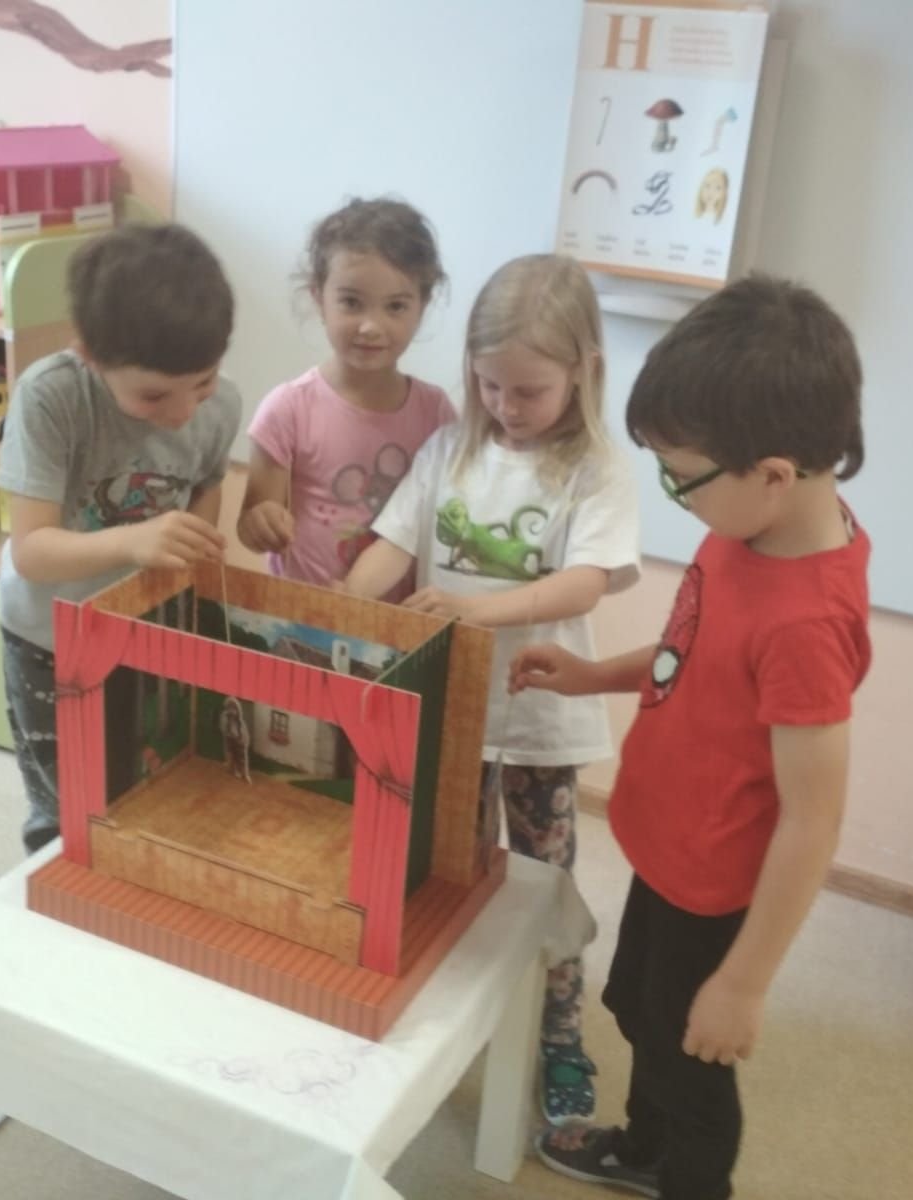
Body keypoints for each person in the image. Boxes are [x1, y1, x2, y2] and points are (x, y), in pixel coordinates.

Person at [519, 274, 871, 1199]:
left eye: (682, 477)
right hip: (673, 844)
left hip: (715, 887)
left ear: (775, 475)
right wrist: (594, 673)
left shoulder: (805, 626)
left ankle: (690, 1179)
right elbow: (694, 653)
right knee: (641, 1011)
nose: (674, 493)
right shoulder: (752, 533)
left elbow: (814, 822)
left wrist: (744, 984)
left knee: (693, 1059)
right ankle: (647, 1150)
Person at [344, 253, 640, 1124]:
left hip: (541, 722)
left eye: (529, 391)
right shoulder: (451, 446)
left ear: (584, 371)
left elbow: (584, 585)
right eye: (490, 386)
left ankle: (560, 1039)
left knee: (544, 888)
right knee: (452, 876)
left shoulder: (595, 467)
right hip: (457, 714)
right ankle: (457, 1025)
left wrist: (476, 611)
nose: (507, 406)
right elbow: (394, 546)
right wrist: (342, 609)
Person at [0, 223, 240, 855]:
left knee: (141, 779)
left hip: (145, 627)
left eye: (204, 381)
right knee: (63, 803)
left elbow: (207, 484)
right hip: (49, 637)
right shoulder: (50, 398)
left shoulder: (218, 406)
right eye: (154, 394)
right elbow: (32, 551)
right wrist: (135, 542)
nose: (184, 412)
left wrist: (195, 545)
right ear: (90, 356)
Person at [239, 197, 455, 598]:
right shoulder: (287, 409)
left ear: (422, 306)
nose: (371, 326)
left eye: (396, 306)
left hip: (403, 620)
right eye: (352, 302)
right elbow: (252, 527)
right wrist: (260, 523)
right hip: (305, 613)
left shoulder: (436, 413)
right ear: (318, 297)